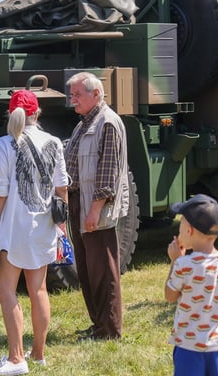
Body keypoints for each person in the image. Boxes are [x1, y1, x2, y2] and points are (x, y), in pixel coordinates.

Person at [0, 90, 69, 375]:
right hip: (44, 225)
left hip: (14, 227)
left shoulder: (5, 143)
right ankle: (39, 354)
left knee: (4, 289)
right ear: (37, 113)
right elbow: (62, 188)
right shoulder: (54, 141)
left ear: (11, 113)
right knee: (39, 289)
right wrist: (61, 226)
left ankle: (17, 359)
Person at [64, 71, 130, 340]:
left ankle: (109, 330)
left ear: (96, 94)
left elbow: (107, 172)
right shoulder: (83, 123)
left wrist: (95, 209)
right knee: (88, 269)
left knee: (103, 270)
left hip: (95, 207)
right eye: (71, 95)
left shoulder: (107, 123)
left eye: (77, 94)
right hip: (81, 203)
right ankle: (98, 323)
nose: (72, 100)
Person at [166, 194, 218, 375]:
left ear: (189, 230)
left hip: (188, 347)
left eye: (181, 224)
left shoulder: (183, 265)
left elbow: (170, 297)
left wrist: (174, 261)